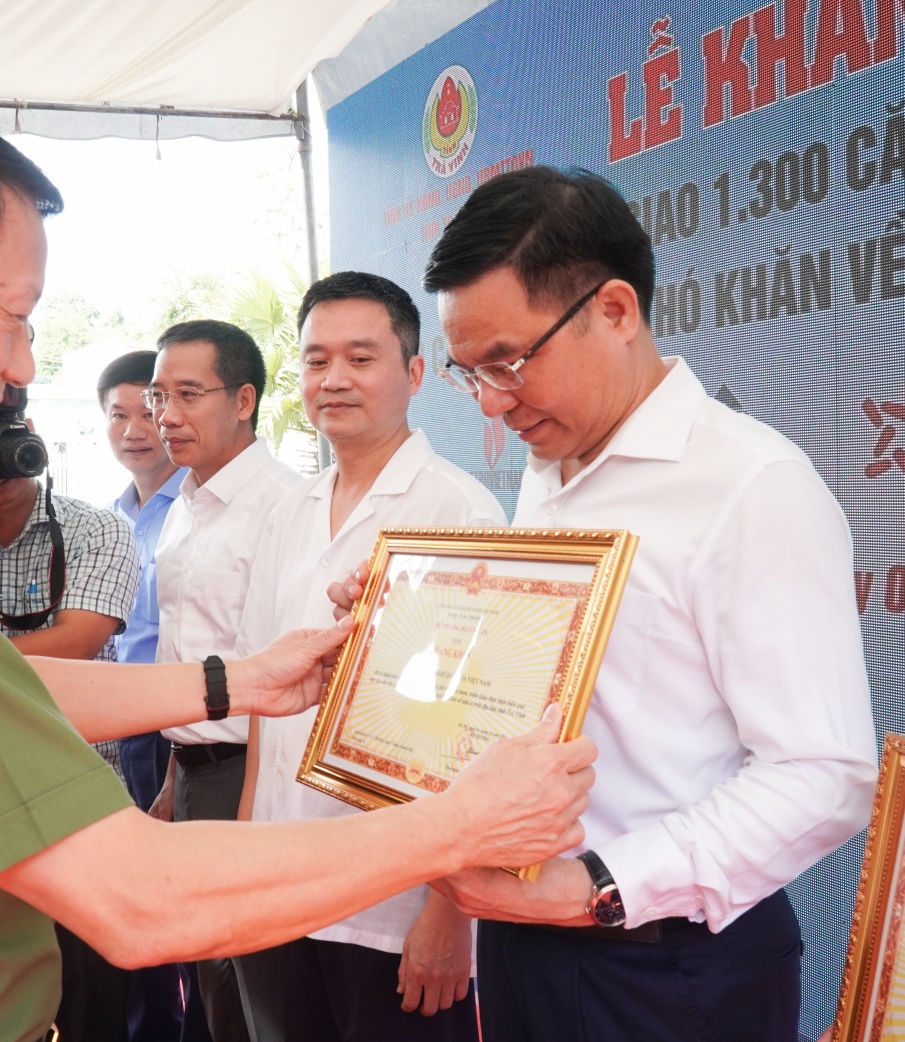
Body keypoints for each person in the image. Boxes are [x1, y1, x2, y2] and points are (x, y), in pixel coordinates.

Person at [0, 92, 599, 1042]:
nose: (21, 366)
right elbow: (133, 896)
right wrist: (460, 826)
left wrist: (237, 681)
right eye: (13, 315)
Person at [376, 165, 878, 1042]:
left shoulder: (751, 486)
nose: (492, 404)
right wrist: (401, 626)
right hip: (526, 932)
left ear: (614, 311)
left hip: (669, 963)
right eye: (470, 373)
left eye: (509, 363)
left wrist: (601, 885)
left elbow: (823, 775)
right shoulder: (550, 469)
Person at [234, 271, 505, 1042]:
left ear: (414, 373)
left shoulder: (457, 511)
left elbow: (479, 730)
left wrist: (449, 914)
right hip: (285, 884)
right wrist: (248, 853)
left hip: (394, 904)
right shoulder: (289, 509)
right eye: (316, 360)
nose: (334, 380)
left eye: (360, 358)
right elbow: (263, 691)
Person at [0, 389, 141, 1042]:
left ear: (28, 431)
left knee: (91, 1009)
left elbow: (75, 646)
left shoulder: (97, 529)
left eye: (1, 435)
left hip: (79, 810)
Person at [145, 320, 298, 1042]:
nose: (165, 416)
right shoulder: (184, 503)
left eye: (187, 394)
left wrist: (251, 811)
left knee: (266, 994)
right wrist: (174, 781)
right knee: (214, 994)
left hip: (252, 775)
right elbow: (185, 653)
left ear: (243, 399)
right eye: (157, 396)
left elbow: (282, 674)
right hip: (195, 771)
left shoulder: (286, 506)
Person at [98, 350, 194, 1042]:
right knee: (131, 894)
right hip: (121, 726)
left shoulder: (198, 502)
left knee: (187, 899)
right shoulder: (108, 518)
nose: (135, 429)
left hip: (183, 723)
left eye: (148, 410)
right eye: (118, 414)